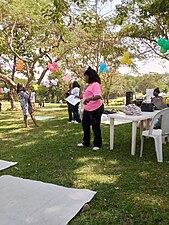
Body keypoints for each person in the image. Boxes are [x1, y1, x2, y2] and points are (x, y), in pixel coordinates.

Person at [77, 66, 104, 151]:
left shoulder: (95, 84)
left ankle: (97, 144)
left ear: (90, 76)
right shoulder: (89, 85)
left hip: (95, 108)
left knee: (95, 126)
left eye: (86, 76)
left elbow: (98, 96)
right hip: (88, 109)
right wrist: (80, 97)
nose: (85, 78)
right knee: (85, 125)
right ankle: (86, 142)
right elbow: (86, 95)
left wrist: (90, 99)